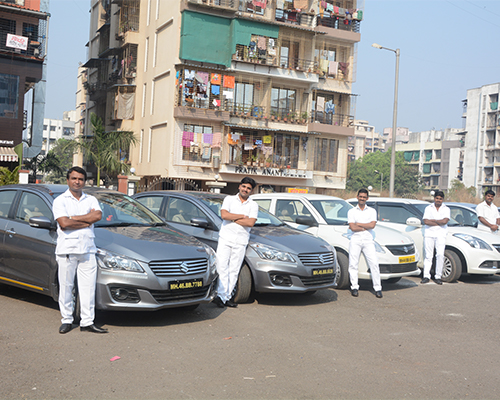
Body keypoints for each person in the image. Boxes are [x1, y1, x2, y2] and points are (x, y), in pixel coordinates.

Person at [53, 166, 107, 334]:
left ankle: (87, 322)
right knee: (66, 287)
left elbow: (97, 216)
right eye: (74, 178)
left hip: (88, 249)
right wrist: (86, 220)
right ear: (68, 180)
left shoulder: (90, 199)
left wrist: (74, 218)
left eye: (80, 179)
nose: (77, 181)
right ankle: (67, 320)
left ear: (85, 181)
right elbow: (64, 223)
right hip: (67, 250)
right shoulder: (60, 200)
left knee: (88, 288)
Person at [213, 177, 258, 308]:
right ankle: (221, 296)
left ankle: (226, 297)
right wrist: (242, 216)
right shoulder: (229, 199)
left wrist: (233, 217)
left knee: (234, 269)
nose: (245, 190)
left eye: (249, 188)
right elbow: (224, 215)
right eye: (244, 186)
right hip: (226, 238)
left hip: (241, 241)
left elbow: (250, 223)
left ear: (251, 190)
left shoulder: (253, 205)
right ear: (239, 186)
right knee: (222, 267)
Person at [347, 188, 382, 298]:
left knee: (374, 264)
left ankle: (378, 288)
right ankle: (354, 287)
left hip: (368, 240)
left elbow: (372, 225)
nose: (362, 199)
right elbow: (352, 227)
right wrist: (365, 226)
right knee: (353, 264)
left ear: (367, 198)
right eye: (360, 196)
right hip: (355, 239)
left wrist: (359, 224)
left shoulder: (372, 211)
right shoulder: (351, 211)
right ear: (357, 197)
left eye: (364, 197)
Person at [422, 190, 450, 285]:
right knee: (428, 255)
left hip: (441, 234)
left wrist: (433, 221)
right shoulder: (428, 208)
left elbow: (445, 221)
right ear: (434, 198)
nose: (438, 200)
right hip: (429, 234)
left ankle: (438, 276)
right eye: (437, 198)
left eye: (440, 199)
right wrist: (439, 222)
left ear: (442, 200)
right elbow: (426, 221)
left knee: (440, 255)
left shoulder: (446, 209)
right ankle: (426, 276)